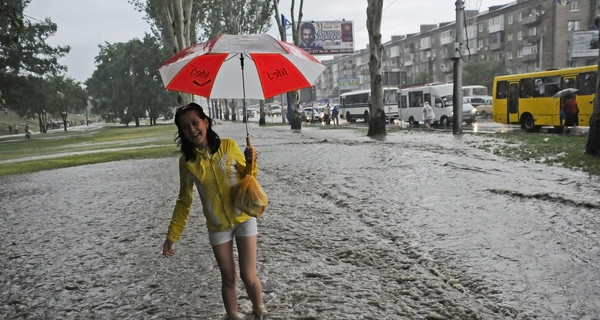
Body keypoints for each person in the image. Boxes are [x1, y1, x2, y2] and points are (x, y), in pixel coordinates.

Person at [162, 103, 265, 320]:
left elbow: (249, 178)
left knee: (248, 275)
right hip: (217, 225)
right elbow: (184, 201)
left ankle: (259, 312)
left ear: (206, 123)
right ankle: (233, 316)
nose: (192, 129)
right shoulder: (187, 163)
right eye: (185, 126)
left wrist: (250, 161)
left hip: (243, 217)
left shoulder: (228, 146)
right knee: (228, 277)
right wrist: (172, 236)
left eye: (195, 122)